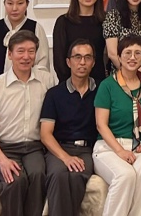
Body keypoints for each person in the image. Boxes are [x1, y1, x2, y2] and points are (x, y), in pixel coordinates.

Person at [0, 30, 55, 216]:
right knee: (14, 180)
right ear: (10, 54)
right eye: (20, 51)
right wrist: (2, 160)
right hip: (4, 147)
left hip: (34, 147)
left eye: (31, 51)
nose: (26, 57)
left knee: (38, 175)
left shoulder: (47, 81)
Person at [93, 35, 141, 216]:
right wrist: (120, 151)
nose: (132, 57)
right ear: (119, 57)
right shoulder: (107, 85)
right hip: (109, 147)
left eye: (138, 53)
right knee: (125, 175)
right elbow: (101, 125)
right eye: (128, 53)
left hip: (138, 146)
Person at [40, 40, 99, 216]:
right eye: (77, 57)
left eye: (87, 58)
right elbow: (45, 134)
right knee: (58, 175)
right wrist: (66, 158)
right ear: (68, 62)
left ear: (93, 62)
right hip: (59, 148)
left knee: (77, 175)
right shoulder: (54, 94)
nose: (82, 62)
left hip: (87, 149)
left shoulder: (101, 91)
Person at [53, 0, 106, 82]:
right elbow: (59, 60)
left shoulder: (106, 21)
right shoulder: (63, 22)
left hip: (100, 83)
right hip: (70, 84)